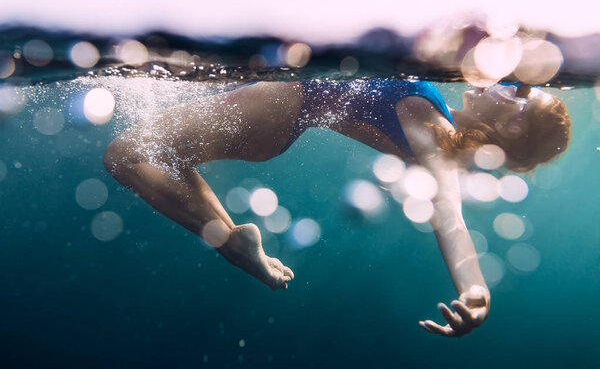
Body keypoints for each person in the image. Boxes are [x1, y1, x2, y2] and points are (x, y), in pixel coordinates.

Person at [103, 79, 571, 337]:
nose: (509, 78)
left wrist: (475, 290)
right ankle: (234, 242)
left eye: (522, 90)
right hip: (281, 113)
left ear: (510, 125)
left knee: (128, 155)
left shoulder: (432, 126)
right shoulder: (444, 131)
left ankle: (233, 245)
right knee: (139, 156)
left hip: (276, 104)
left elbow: (448, 211)